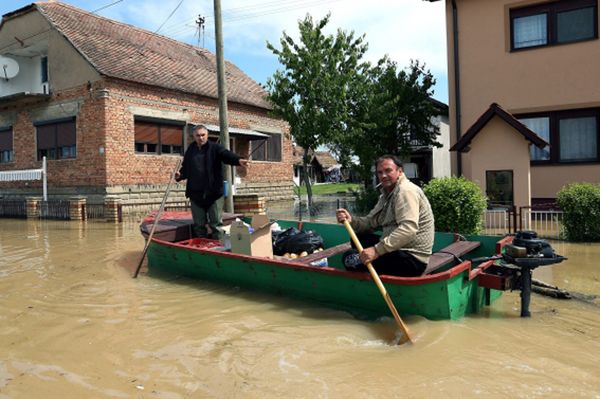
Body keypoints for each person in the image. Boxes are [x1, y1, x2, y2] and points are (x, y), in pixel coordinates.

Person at [336, 155, 434, 277]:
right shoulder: (387, 193)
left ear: (400, 171)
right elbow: (370, 222)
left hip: (412, 260)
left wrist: (376, 251)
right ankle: (372, 268)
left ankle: (370, 277)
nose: (383, 176)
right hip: (397, 250)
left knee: (349, 258)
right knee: (359, 238)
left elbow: (408, 230)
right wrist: (352, 220)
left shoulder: (405, 191)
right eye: (380, 172)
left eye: (388, 170)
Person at [176, 124, 248, 239]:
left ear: (207, 135)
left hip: (213, 194)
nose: (201, 138)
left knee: (216, 225)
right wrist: (179, 175)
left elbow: (226, 155)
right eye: (198, 135)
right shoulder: (190, 150)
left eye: (203, 135)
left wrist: (238, 160)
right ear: (194, 136)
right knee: (199, 226)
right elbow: (185, 168)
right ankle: (202, 248)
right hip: (196, 195)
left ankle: (218, 248)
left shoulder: (215, 148)